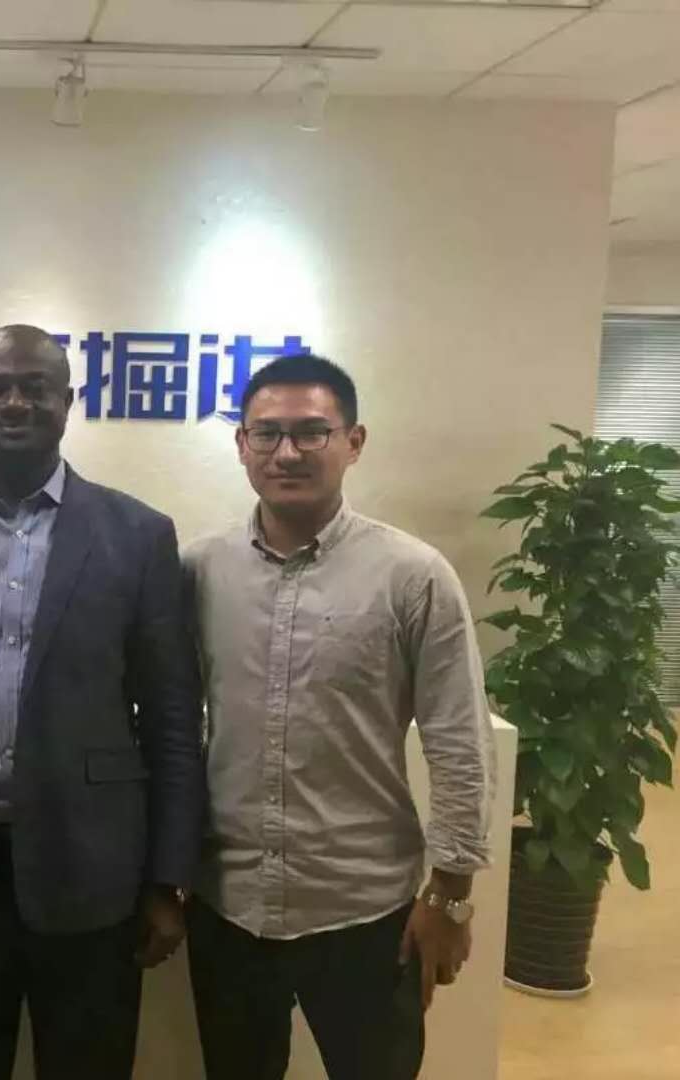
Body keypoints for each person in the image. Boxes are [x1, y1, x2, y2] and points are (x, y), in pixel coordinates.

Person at [0, 324, 205, 1080]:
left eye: (35, 387)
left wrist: (168, 879)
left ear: (68, 401)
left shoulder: (138, 534)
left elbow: (170, 717)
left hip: (93, 872)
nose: (14, 403)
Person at [183, 354, 496, 1080]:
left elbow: (457, 738)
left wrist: (450, 896)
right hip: (227, 905)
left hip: (366, 909)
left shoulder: (412, 575)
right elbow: (173, 726)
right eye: (266, 434)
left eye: (311, 432)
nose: (286, 452)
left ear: (353, 442)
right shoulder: (197, 570)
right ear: (241, 445)